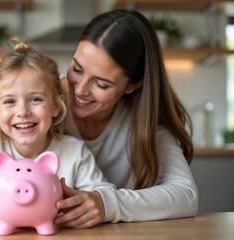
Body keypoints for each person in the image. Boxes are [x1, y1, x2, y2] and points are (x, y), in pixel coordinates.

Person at [0, 39, 113, 224]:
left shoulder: (74, 152)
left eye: (35, 99)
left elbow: (105, 197)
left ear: (56, 105)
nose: (22, 111)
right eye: (9, 101)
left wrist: (86, 204)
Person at [53, 9, 198, 228]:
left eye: (101, 84)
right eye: (77, 69)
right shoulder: (42, 101)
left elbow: (186, 195)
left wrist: (108, 204)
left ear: (132, 85)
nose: (80, 90)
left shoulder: (142, 119)